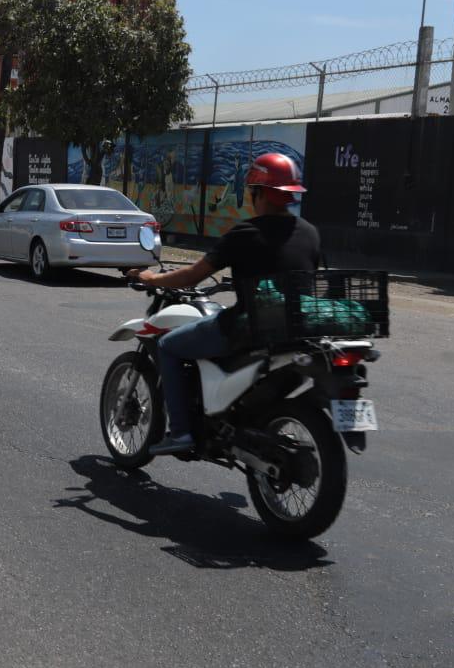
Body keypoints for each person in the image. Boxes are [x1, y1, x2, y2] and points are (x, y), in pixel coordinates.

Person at [128, 152, 321, 457]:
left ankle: (180, 432)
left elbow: (192, 276)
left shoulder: (245, 233)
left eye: (251, 192)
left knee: (168, 346)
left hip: (249, 328)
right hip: (296, 328)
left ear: (256, 193)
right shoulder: (310, 233)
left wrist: (151, 278)